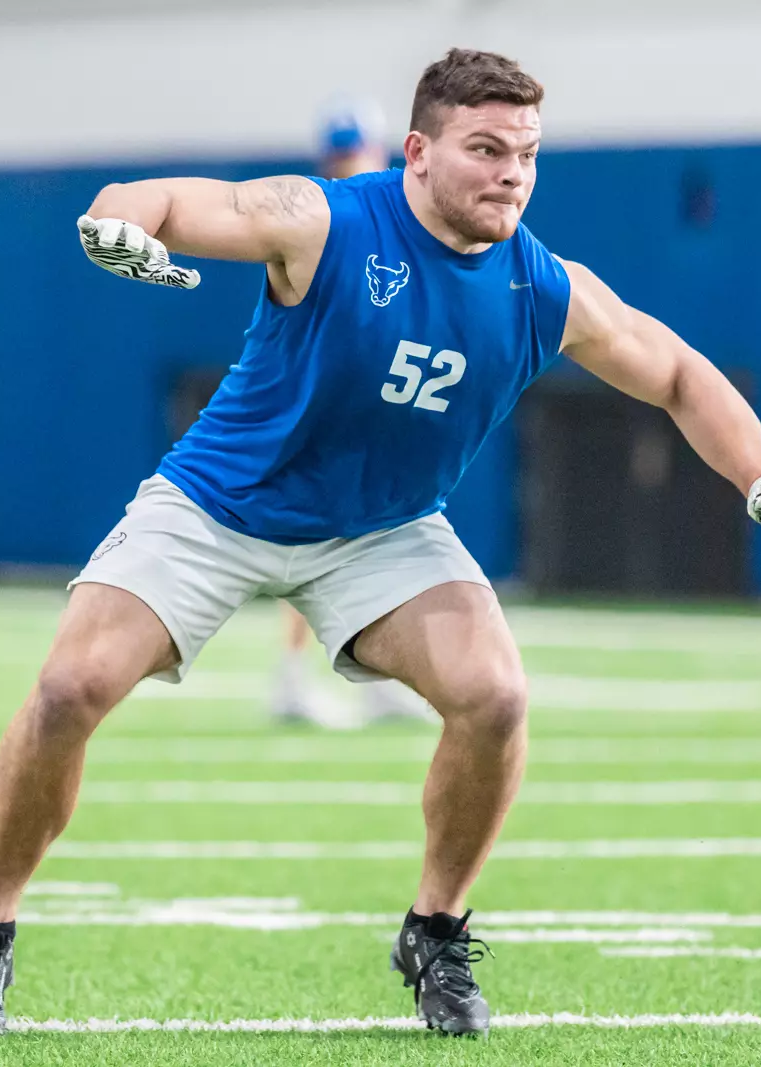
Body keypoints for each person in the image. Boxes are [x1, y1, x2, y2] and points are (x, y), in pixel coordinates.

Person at [0, 48, 761, 1038]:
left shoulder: (542, 287)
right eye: (485, 149)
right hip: (218, 506)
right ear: (418, 153)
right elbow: (173, 201)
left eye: (526, 154)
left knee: (494, 695)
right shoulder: (327, 221)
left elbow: (680, 373)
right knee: (69, 688)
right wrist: (115, 223)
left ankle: (435, 929)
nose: (511, 175)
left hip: (380, 531)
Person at [273, 95, 435, 728]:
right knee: (319, 545)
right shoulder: (321, 217)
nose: (347, 164)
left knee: (376, 541)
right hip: (330, 405)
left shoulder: (388, 215)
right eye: (340, 154)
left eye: (354, 152)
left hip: (372, 405)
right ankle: (295, 680)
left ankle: (376, 681)